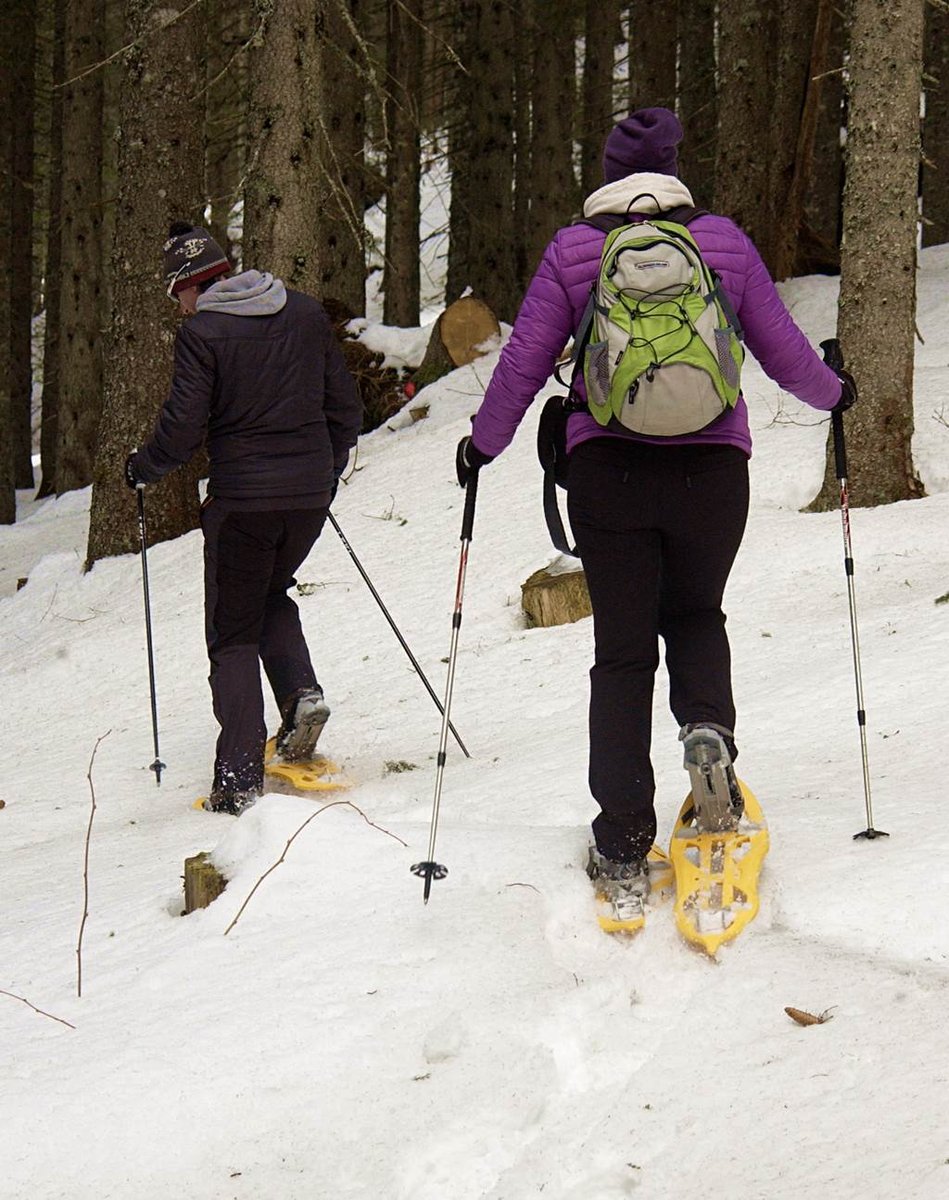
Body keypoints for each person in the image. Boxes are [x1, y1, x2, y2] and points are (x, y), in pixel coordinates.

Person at [456, 108, 855, 910]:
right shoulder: (720, 243)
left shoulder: (576, 251)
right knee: (697, 615)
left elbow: (524, 361)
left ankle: (622, 839)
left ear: (606, 175)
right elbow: (779, 351)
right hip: (712, 470)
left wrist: (481, 446)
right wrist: (836, 390)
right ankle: (707, 735)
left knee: (623, 653)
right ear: (676, 170)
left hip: (609, 475)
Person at [126, 222, 363, 813]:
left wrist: (143, 468)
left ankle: (236, 780)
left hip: (244, 503)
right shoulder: (304, 313)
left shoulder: (202, 333)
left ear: (187, 285)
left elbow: (182, 429)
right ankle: (300, 697)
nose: (179, 307)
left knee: (232, 631)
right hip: (308, 496)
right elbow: (346, 408)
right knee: (269, 594)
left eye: (174, 294)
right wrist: (322, 470)